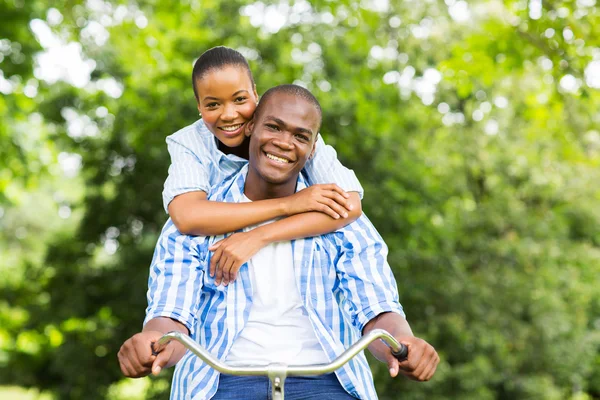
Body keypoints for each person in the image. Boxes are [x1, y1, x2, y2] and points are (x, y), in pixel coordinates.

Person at [118, 85, 439, 399]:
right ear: (251, 127)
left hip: (327, 380)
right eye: (274, 127)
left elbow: (377, 309)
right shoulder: (197, 219)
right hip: (223, 383)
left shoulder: (340, 217)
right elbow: (172, 315)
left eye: (301, 136)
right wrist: (152, 341)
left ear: (313, 149)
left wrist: (404, 342)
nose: (285, 143)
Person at [163, 46, 365, 285]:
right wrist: (288, 205)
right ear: (199, 107)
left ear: (254, 94)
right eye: (212, 105)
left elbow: (350, 205)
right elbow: (187, 217)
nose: (229, 115)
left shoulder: (289, 133)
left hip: (293, 259)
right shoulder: (189, 142)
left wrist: (259, 236)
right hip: (218, 267)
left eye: (240, 99)